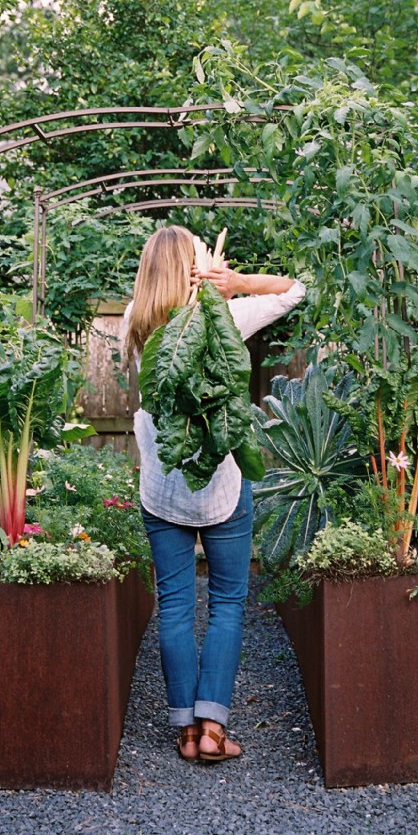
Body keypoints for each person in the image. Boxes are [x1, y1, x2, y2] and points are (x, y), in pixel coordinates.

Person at [123, 225, 305, 764]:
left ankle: (184, 732)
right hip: (224, 487)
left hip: (161, 488)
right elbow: (296, 289)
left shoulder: (136, 324)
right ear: (195, 268)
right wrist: (237, 283)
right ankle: (212, 732)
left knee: (176, 605)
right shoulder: (222, 320)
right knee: (227, 603)